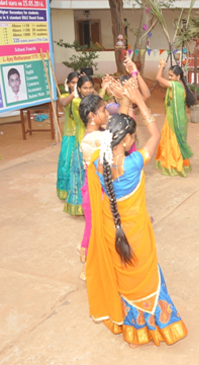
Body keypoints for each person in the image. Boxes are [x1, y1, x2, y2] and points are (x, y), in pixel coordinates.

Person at [85, 80, 188, 347]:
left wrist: (125, 102)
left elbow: (119, 131)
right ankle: (155, 327)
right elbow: (155, 135)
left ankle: (133, 331)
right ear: (127, 140)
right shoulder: (133, 163)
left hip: (113, 232)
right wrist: (140, 102)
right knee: (146, 277)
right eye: (131, 136)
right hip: (137, 233)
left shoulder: (97, 162)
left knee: (124, 278)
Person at [77, 94, 110, 281]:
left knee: (94, 228)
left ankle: (92, 266)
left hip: (92, 188)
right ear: (92, 115)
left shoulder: (93, 134)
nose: (107, 114)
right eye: (103, 110)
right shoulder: (97, 137)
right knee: (97, 229)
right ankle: (92, 269)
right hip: (97, 190)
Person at [154, 59, 194, 177]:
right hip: (176, 115)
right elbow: (162, 83)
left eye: (171, 75)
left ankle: (173, 164)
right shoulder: (179, 84)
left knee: (171, 140)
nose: (169, 77)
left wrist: (161, 66)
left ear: (178, 76)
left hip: (174, 117)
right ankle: (177, 162)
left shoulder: (175, 85)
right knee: (173, 139)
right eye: (169, 75)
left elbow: (158, 78)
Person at [64, 75, 95, 216]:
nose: (88, 90)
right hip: (82, 139)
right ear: (79, 89)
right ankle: (82, 205)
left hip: (92, 138)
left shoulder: (91, 100)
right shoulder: (77, 102)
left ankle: (93, 203)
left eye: (91, 87)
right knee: (81, 173)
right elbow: (94, 109)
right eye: (85, 88)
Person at [56, 71, 79, 200]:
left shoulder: (85, 97)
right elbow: (64, 103)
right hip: (70, 136)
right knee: (66, 163)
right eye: (73, 83)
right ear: (68, 84)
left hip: (82, 134)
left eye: (77, 83)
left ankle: (78, 191)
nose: (75, 85)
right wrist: (75, 92)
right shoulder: (65, 96)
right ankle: (66, 190)